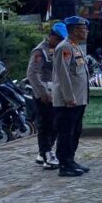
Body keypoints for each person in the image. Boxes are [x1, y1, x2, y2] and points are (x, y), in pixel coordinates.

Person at [52, 16, 91, 177]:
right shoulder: (64, 47)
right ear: (75, 30)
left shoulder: (75, 46)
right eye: (83, 29)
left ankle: (71, 160)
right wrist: (69, 97)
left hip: (79, 98)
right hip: (68, 100)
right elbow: (63, 75)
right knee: (66, 132)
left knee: (75, 131)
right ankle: (64, 164)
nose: (86, 32)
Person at [27, 22, 66, 169]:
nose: (58, 43)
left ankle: (44, 151)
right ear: (51, 36)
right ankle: (47, 155)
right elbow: (32, 73)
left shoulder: (57, 50)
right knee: (45, 125)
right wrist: (43, 93)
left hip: (55, 92)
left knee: (55, 124)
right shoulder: (39, 51)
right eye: (57, 39)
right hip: (43, 93)